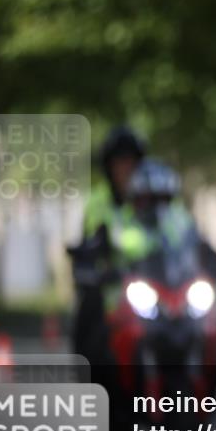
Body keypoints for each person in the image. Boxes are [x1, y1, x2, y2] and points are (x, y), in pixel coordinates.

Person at [72, 126, 147, 363]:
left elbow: (177, 234)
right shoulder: (97, 202)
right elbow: (89, 244)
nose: (127, 169)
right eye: (120, 162)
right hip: (112, 292)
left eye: (132, 162)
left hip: (156, 285)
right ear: (109, 166)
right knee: (89, 319)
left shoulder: (157, 197)